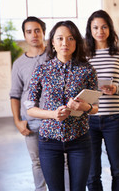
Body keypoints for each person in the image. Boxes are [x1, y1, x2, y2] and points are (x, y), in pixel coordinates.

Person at [25, 20, 98, 191]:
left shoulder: (87, 70)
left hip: (79, 139)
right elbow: (30, 108)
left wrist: (84, 107)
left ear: (77, 42)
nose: (65, 43)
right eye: (60, 38)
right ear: (53, 42)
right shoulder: (41, 70)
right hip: (49, 141)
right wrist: (53, 114)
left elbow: (95, 107)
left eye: (71, 38)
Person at [85, 10, 119, 191]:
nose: (100, 31)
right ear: (90, 30)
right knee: (92, 173)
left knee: (118, 169)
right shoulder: (83, 56)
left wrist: (116, 89)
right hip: (88, 119)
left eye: (104, 27)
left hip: (115, 119)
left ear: (110, 28)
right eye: (95, 27)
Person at [10, 16, 47, 191]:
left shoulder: (55, 56)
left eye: (37, 30)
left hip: (54, 119)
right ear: (24, 35)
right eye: (29, 31)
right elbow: (15, 95)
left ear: (44, 33)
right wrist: (17, 121)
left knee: (63, 161)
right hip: (30, 122)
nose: (33, 35)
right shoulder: (19, 64)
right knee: (37, 162)